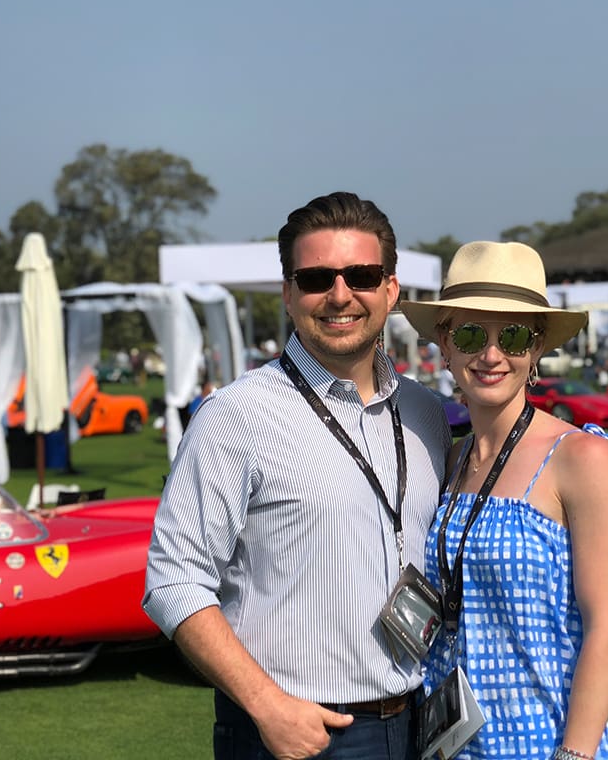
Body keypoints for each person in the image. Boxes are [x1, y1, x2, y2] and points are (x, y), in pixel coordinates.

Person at [144, 191, 450, 760]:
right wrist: (266, 704)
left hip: (415, 721)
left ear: (390, 289)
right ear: (288, 294)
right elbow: (172, 581)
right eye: (315, 279)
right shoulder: (236, 415)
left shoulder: (426, 412)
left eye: (360, 274)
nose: (340, 295)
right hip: (293, 732)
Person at [401, 241, 608, 760]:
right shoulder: (450, 459)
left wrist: (573, 755)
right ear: (445, 342)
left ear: (538, 345)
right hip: (448, 746)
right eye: (470, 333)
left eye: (514, 335)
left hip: (544, 744)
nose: (491, 354)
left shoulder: (581, 457)